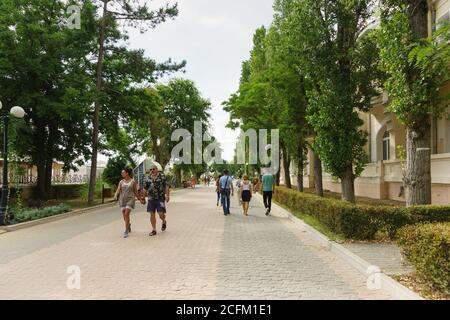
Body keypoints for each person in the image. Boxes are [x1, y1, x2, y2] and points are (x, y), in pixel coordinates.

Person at [142, 164, 170, 237]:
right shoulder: (147, 178)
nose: (152, 171)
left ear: (157, 170)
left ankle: (163, 221)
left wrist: (167, 195)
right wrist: (142, 197)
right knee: (152, 214)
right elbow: (145, 188)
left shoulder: (162, 176)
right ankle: (154, 229)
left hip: (160, 198)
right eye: (151, 170)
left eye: (153, 169)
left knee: (161, 214)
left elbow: (166, 186)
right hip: (151, 198)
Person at [114, 168, 141, 238]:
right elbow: (118, 189)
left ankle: (126, 231)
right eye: (121, 173)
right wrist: (115, 195)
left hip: (130, 199)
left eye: (123, 172)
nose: (122, 174)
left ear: (127, 173)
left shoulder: (133, 182)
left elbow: (135, 191)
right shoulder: (121, 182)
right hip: (122, 200)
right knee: (124, 215)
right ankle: (128, 224)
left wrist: (140, 199)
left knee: (126, 213)